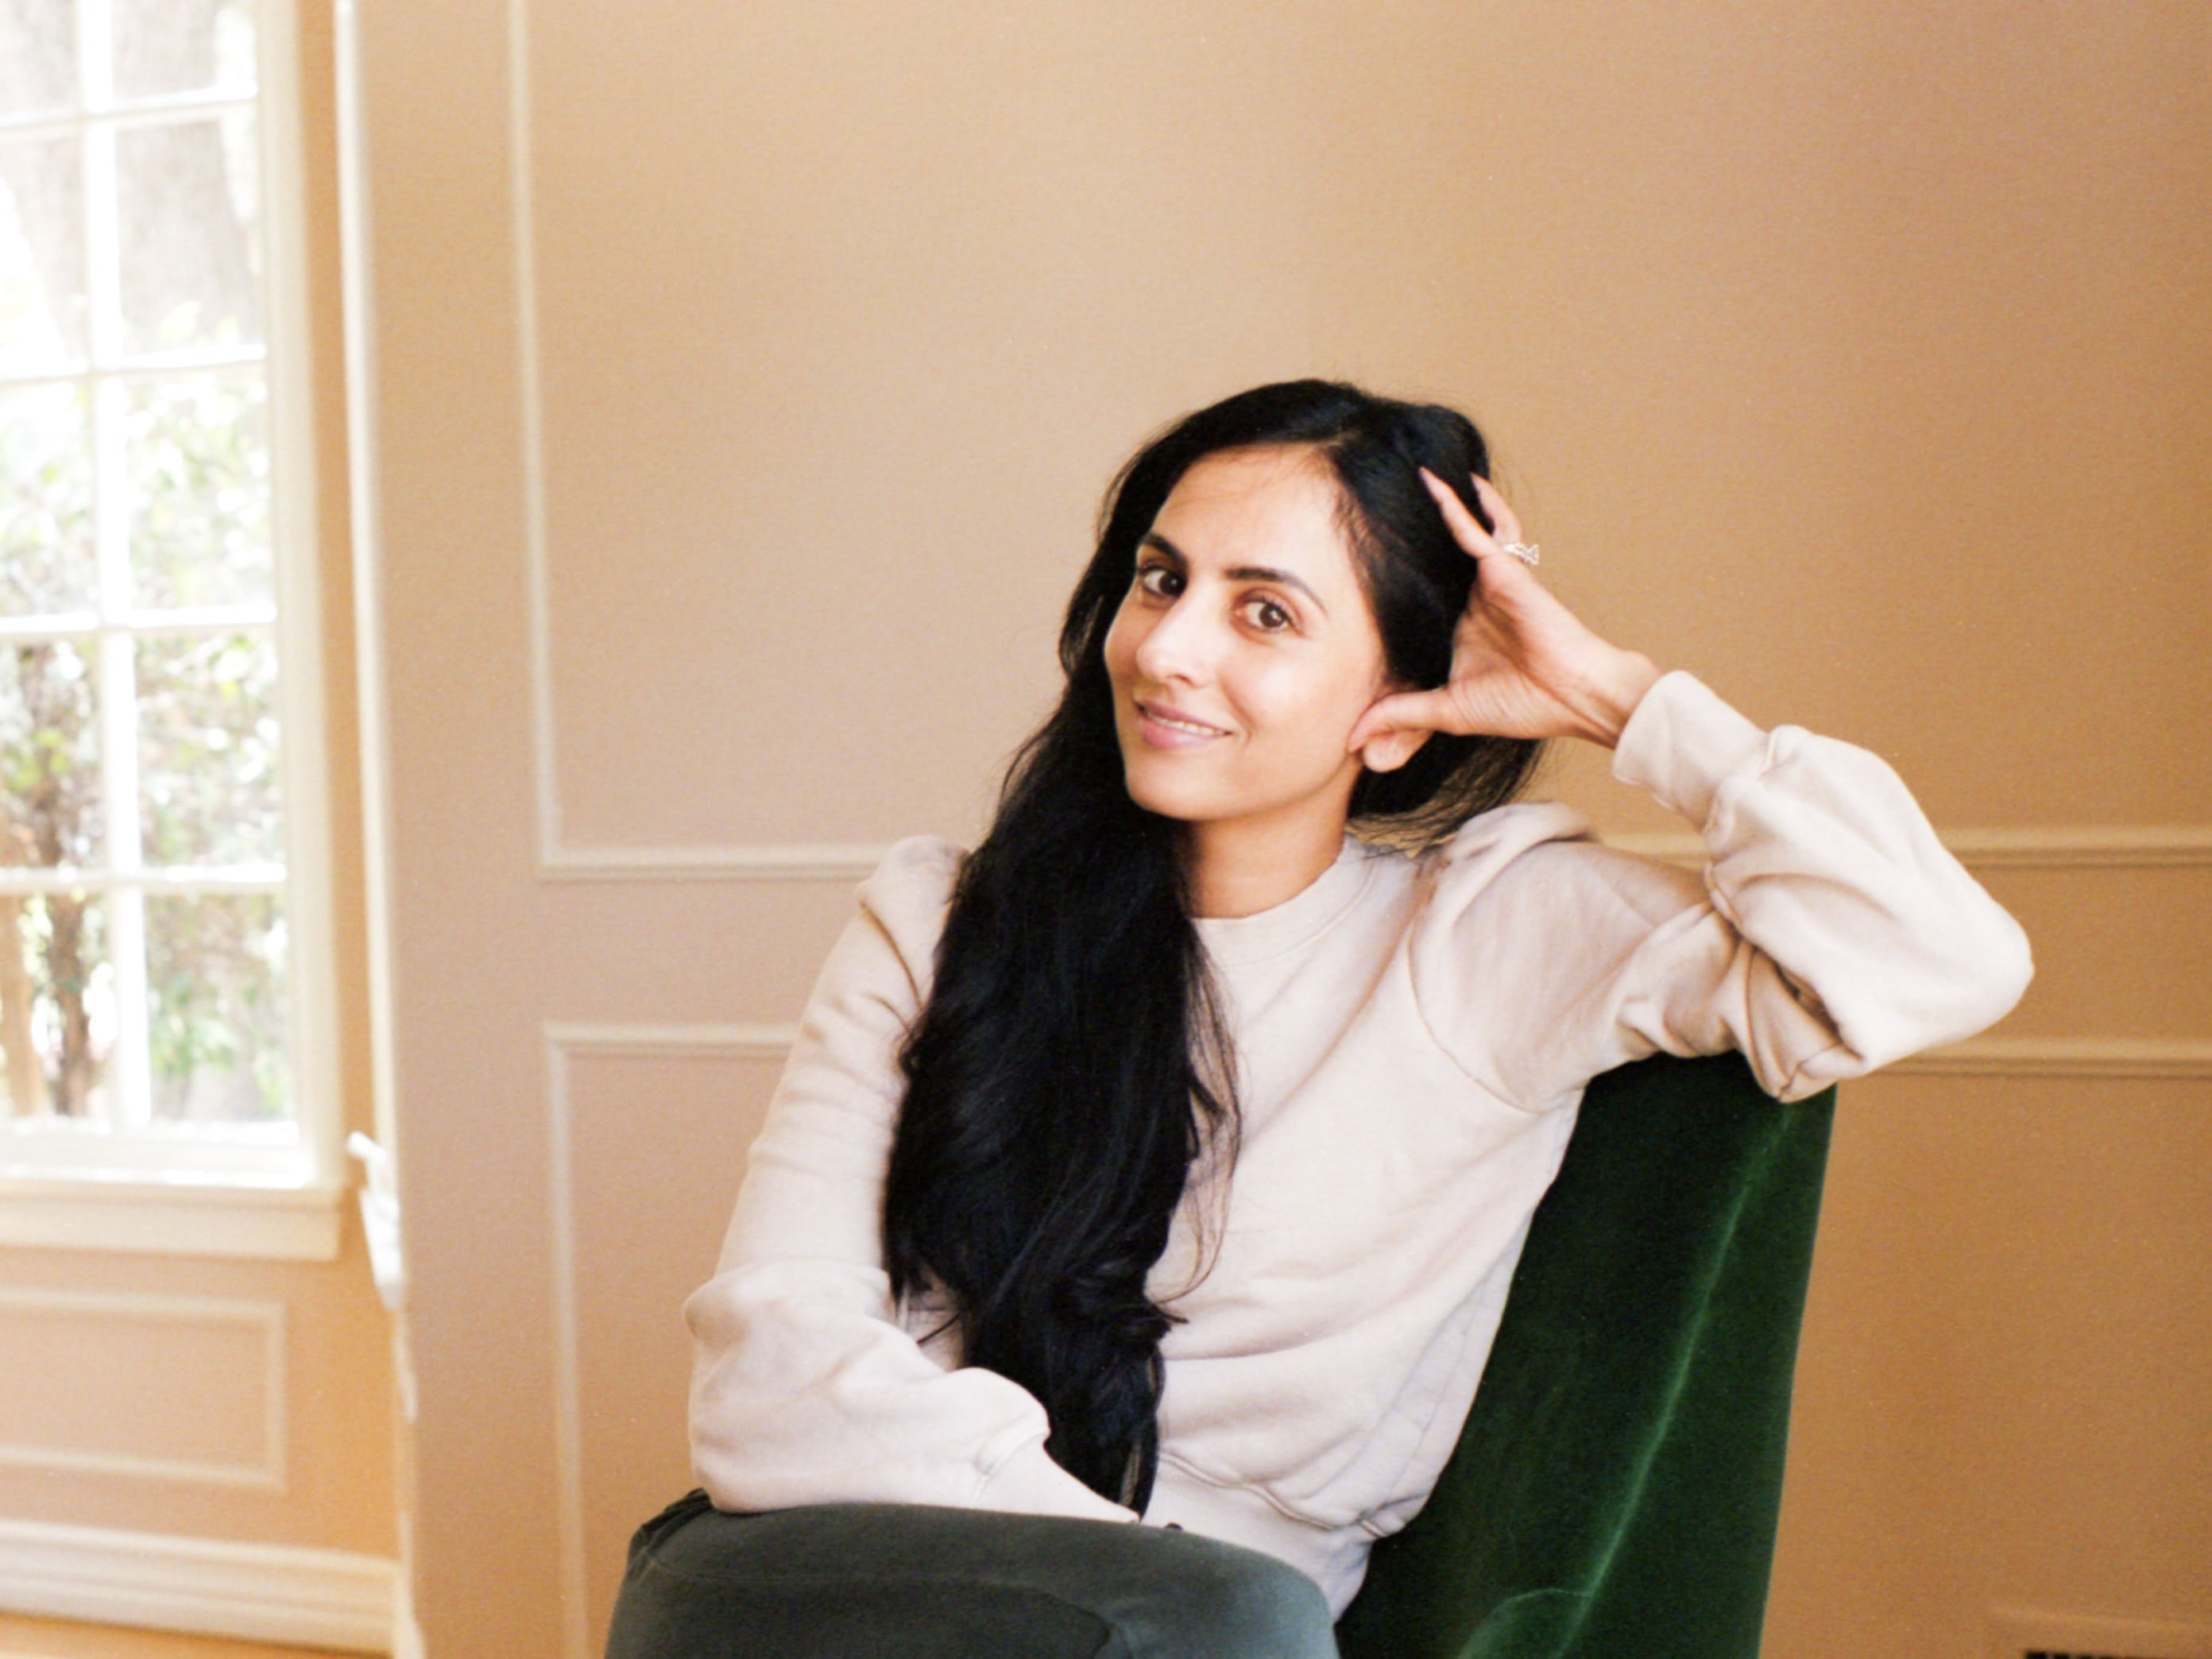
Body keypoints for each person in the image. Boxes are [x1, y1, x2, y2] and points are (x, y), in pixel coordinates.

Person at [605, 380, 2033, 1657]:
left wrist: (1614, 695)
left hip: (1225, 1624)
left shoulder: (1491, 938)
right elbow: (771, 1367)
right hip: (841, 1567)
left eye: (1264, 612)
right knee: (1232, 1615)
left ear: (1400, 712)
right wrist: (1118, 1570)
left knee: (1240, 1616)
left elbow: (1934, 952)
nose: (1167, 650)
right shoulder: (935, 920)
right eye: (1160, 580)